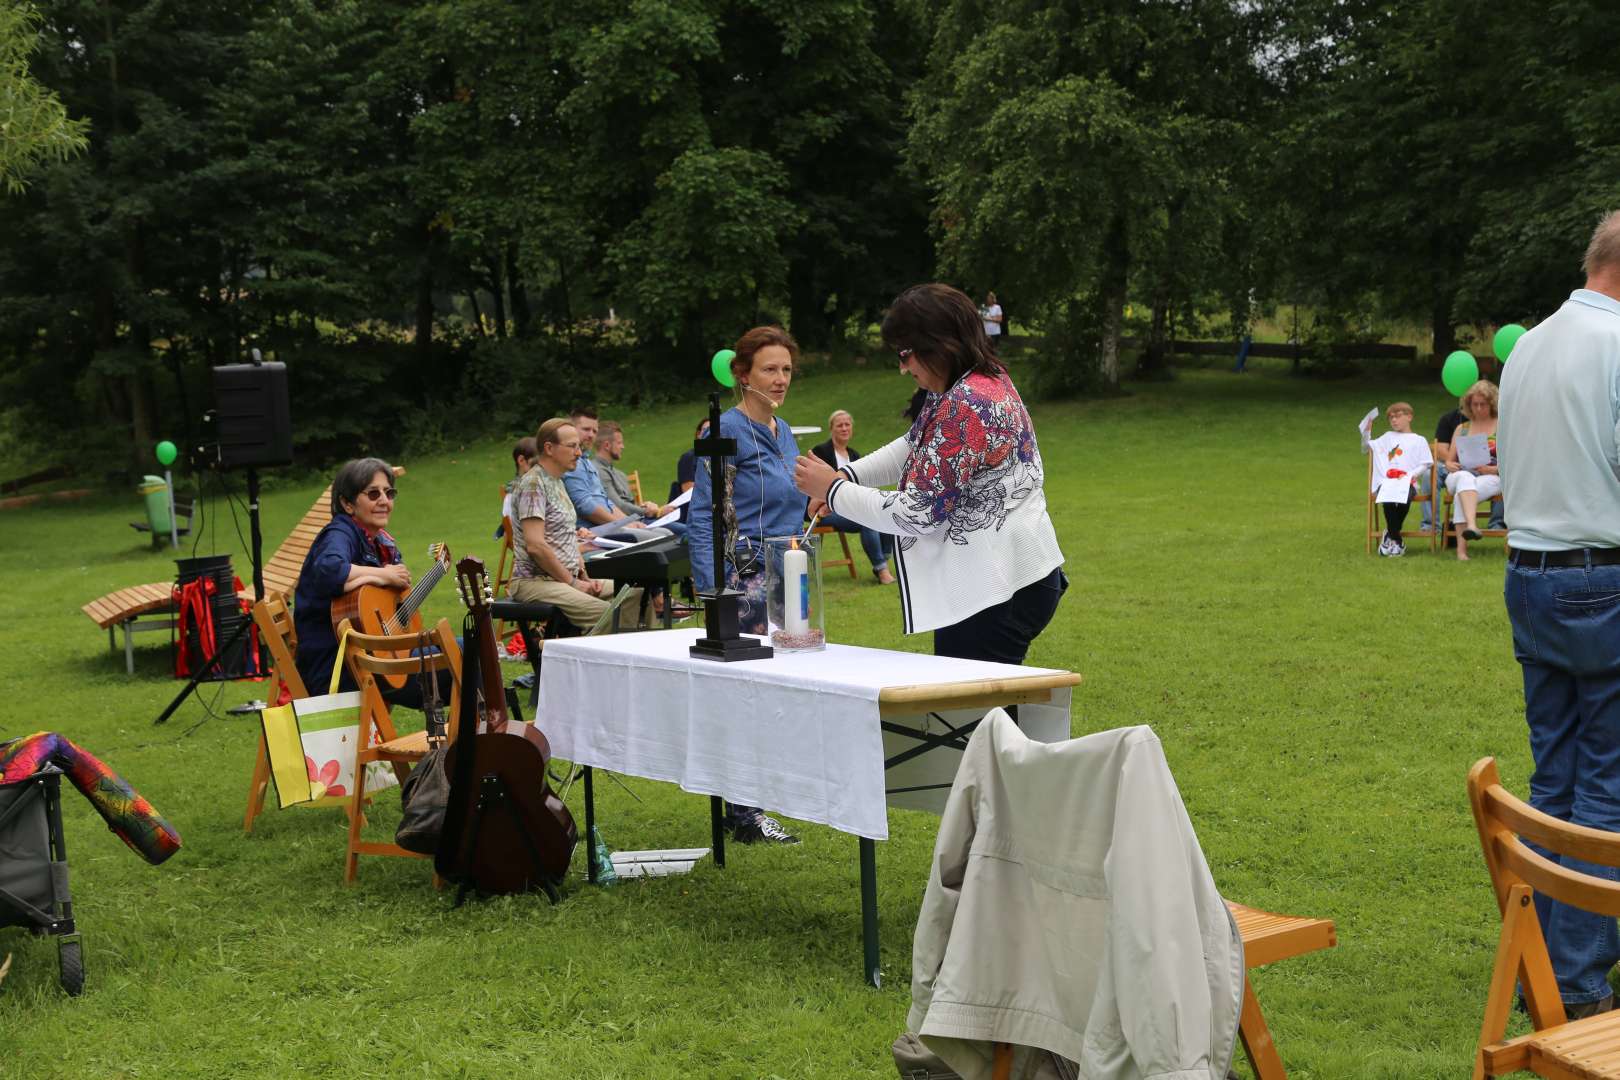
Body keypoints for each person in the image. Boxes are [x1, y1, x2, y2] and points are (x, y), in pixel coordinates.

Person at [793, 283, 1067, 665]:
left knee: (976, 719)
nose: (903, 367)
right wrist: (848, 475)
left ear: (940, 344)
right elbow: (914, 443)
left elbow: (916, 513)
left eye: (906, 354)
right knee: (985, 715)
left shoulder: (969, 402)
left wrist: (834, 489)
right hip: (1010, 578)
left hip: (996, 590)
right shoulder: (971, 383)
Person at [1498, 208, 1620, 1019]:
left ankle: (1540, 964)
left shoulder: (1530, 345)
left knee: (1558, 778)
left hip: (1530, 575)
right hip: (1599, 577)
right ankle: (1573, 984)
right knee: (1609, 785)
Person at [690, 325, 809, 846]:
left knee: (784, 686)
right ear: (742, 375)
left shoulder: (785, 432)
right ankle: (743, 810)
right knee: (745, 695)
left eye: (786, 369)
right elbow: (703, 515)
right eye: (769, 369)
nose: (780, 379)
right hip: (744, 579)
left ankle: (767, 793)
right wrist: (712, 589)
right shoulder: (726, 432)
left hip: (791, 571)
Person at [293, 459, 444, 709]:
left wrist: (373, 578)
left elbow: (384, 601)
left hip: (370, 658)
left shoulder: (381, 541)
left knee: (466, 649)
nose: (384, 500)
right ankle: (481, 733)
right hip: (339, 668)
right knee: (464, 654)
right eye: (373, 493)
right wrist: (382, 575)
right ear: (347, 503)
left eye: (389, 492)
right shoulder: (339, 534)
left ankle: (471, 737)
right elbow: (330, 572)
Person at [508, 418, 642, 632]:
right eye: (572, 446)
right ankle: (585, 659)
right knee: (610, 615)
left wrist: (585, 576)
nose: (579, 453)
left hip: (563, 578)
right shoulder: (533, 484)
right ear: (549, 448)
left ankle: (632, 657)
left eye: (579, 446)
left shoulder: (557, 481)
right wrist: (573, 583)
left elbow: (565, 538)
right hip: (535, 582)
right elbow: (536, 546)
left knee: (637, 592)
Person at [810, 410, 895, 583]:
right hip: (825, 511)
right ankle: (881, 570)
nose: (844, 428)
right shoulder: (821, 452)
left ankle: (884, 557)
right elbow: (813, 485)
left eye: (847, 424)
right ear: (831, 429)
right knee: (867, 520)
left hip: (850, 507)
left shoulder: (854, 455)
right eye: (839, 425)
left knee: (885, 511)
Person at [561, 407, 670, 541]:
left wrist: (627, 522)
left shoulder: (587, 462)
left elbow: (608, 503)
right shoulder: (571, 463)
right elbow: (585, 505)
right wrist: (624, 525)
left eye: (594, 431)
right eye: (586, 429)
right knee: (659, 538)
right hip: (591, 532)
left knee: (665, 532)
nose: (591, 435)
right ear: (572, 429)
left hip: (610, 526)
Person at [1359, 402, 1432, 557]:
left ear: (1409, 417)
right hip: (1386, 482)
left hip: (1407, 481)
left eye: (1398, 416)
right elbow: (1366, 448)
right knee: (1388, 498)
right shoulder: (1387, 437)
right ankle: (1396, 538)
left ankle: (1390, 535)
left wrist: (1409, 476)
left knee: (1405, 496)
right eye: (1391, 417)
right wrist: (1366, 432)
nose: (1394, 420)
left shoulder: (1419, 440)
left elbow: (1425, 463)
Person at [593, 420, 685, 538]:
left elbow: (628, 504)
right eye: (619, 443)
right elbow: (619, 505)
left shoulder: (619, 474)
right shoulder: (598, 471)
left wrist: (648, 507)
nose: (623, 446)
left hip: (639, 520)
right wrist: (655, 511)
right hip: (628, 524)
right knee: (686, 531)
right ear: (606, 445)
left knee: (687, 530)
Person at [1443, 379, 1501, 561]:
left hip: (1491, 476)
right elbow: (1449, 461)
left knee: (1464, 488)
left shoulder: (1502, 426)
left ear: (1491, 404)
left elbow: (1514, 461)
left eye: (1482, 404)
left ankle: (1462, 551)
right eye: (1474, 404)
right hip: (1461, 473)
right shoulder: (1462, 428)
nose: (1478, 408)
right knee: (1463, 478)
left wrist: (1492, 469)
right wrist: (1450, 465)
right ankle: (1472, 525)